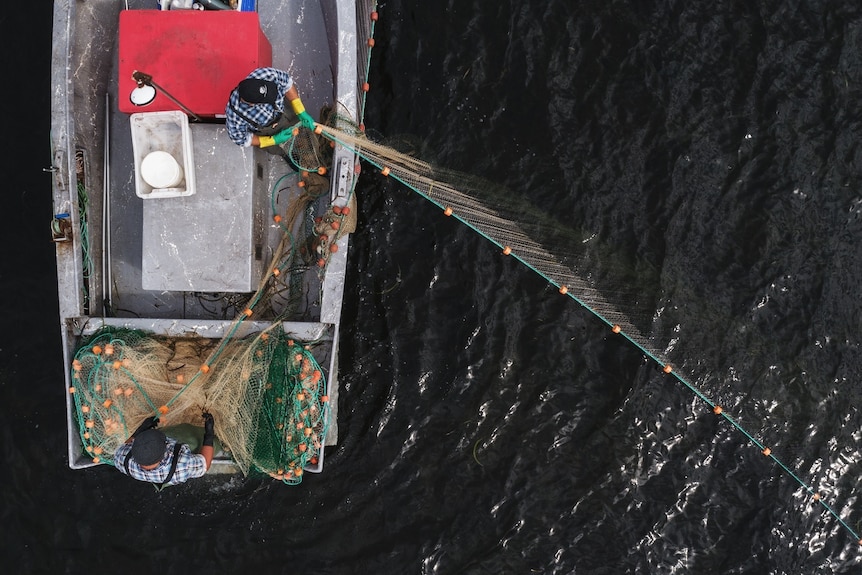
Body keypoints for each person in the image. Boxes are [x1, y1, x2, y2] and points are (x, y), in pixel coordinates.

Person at [225, 67, 316, 153]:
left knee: (305, 133)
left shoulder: (265, 74)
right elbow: (241, 139)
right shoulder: (234, 115)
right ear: (252, 104)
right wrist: (273, 140)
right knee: (287, 151)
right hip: (270, 133)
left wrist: (300, 111)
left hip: (285, 111)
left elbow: (287, 83)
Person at [113, 412, 215, 488]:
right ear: (165, 450)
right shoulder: (182, 465)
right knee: (196, 440)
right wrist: (209, 434)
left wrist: (140, 430)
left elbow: (127, 443)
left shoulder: (121, 458)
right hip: (170, 474)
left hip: (155, 475)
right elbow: (205, 464)